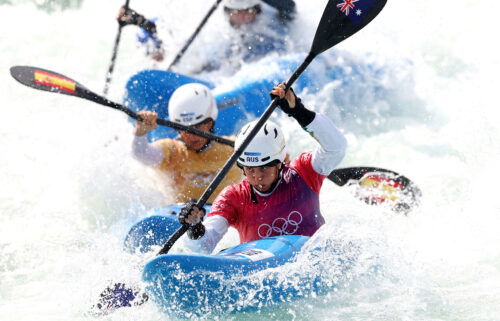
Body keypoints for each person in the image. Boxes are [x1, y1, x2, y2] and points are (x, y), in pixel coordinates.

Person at [179, 82, 347, 252]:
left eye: (264, 168)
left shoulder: (303, 172)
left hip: (312, 259)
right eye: (250, 169)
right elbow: (202, 248)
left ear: (280, 162)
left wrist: (298, 110)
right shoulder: (233, 197)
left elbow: (336, 147)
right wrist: (195, 228)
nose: (257, 176)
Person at [132, 83, 242, 203]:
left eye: (198, 127)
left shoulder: (233, 148)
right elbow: (141, 154)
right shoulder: (171, 151)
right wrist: (141, 133)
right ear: (177, 128)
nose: (192, 136)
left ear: (210, 123)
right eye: (185, 129)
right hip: (182, 214)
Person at [116, 0, 296, 67]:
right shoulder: (215, 30)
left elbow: (290, 9)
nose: (245, 16)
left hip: (267, 69)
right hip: (220, 74)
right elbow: (176, 42)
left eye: (250, 11)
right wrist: (141, 22)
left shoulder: (272, 24)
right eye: (239, 12)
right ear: (228, 12)